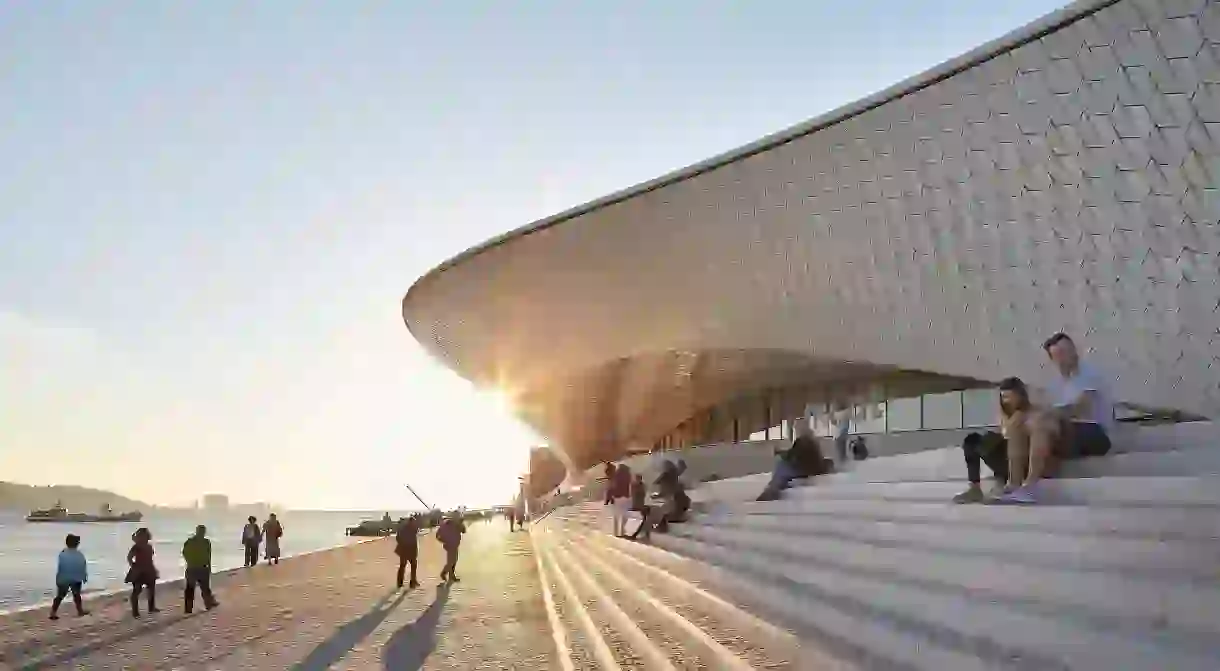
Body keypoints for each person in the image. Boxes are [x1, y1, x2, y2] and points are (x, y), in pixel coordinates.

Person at [994, 333, 1115, 505]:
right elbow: (1049, 412)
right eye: (1059, 354)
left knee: (1040, 421)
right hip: (1067, 435)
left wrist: (1045, 415)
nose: (1066, 357)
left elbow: (1080, 408)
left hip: (1095, 433)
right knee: (1018, 424)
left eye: (1068, 350)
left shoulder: (1089, 374)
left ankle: (1031, 487)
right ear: (1053, 359)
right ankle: (1013, 484)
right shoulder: (1055, 385)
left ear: (1074, 350)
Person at [953, 377, 1024, 503]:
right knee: (971, 440)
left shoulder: (1024, 413)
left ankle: (1007, 484)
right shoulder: (1005, 413)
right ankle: (974, 488)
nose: (1005, 401)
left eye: (1009, 397)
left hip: (1019, 462)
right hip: (1004, 458)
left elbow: (1011, 433)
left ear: (1019, 396)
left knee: (992, 441)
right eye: (1003, 397)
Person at [757, 421, 832, 501]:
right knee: (783, 464)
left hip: (803, 470)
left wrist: (780, 454)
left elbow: (792, 455)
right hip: (810, 468)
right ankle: (773, 486)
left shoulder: (803, 442)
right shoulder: (813, 442)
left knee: (782, 466)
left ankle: (773, 488)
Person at [50, 534, 89, 620]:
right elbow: (82, 566)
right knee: (77, 595)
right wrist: (84, 576)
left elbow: (61, 566)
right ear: (76, 544)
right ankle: (80, 611)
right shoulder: (79, 554)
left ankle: (53, 612)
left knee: (60, 596)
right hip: (76, 578)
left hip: (64, 577)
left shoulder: (63, 553)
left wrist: (58, 578)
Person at [182, 524, 218, 613]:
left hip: (196, 568)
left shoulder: (192, 541)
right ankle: (206, 605)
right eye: (202, 531)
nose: (202, 533)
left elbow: (185, 553)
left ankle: (190, 609)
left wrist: (190, 562)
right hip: (198, 568)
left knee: (197, 589)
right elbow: (185, 553)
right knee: (201, 588)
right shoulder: (204, 542)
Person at [125, 527, 159, 617]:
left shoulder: (148, 546)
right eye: (143, 535)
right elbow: (129, 557)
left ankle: (151, 608)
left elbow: (150, 558)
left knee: (151, 589)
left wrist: (154, 569)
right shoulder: (136, 547)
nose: (145, 537)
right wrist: (133, 566)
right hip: (139, 571)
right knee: (137, 591)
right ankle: (135, 612)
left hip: (149, 569)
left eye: (146, 535)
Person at [436, 512, 466, 582]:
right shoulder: (447, 523)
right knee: (451, 561)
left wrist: (461, 523)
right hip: (449, 545)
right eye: (456, 516)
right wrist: (443, 540)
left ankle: (450, 575)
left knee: (454, 561)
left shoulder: (458, 524)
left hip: (455, 544)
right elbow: (438, 535)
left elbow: (464, 531)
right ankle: (445, 573)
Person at [395, 514, 421, 589]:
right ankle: (412, 582)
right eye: (414, 522)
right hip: (409, 550)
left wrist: (402, 543)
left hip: (404, 550)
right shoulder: (412, 529)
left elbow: (397, 538)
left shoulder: (403, 528)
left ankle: (400, 583)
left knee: (403, 566)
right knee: (412, 565)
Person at [608, 463, 632, 537]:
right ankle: (622, 531)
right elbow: (630, 486)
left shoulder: (616, 475)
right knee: (624, 515)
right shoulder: (628, 475)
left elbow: (612, 486)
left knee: (616, 515)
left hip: (617, 497)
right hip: (625, 497)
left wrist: (610, 497)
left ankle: (615, 532)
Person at [627, 473, 652, 541]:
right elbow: (634, 494)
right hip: (636, 505)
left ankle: (639, 534)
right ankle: (640, 534)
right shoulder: (635, 486)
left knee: (643, 520)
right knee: (641, 520)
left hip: (638, 505)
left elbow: (640, 494)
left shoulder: (636, 485)